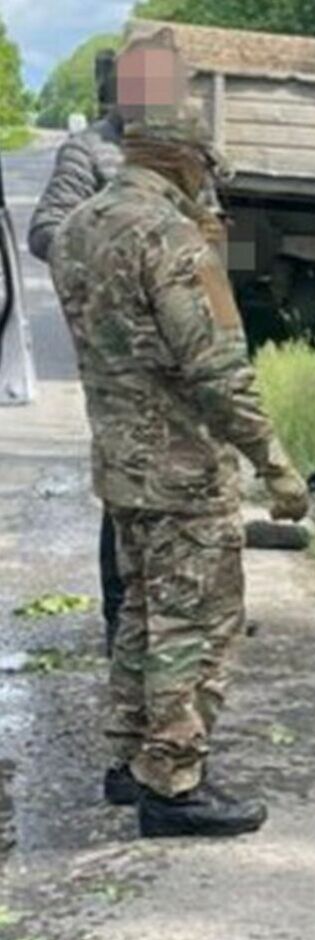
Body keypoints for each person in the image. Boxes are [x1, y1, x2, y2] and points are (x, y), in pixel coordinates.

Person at [48, 108, 309, 838]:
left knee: (138, 613)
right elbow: (220, 367)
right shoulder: (176, 239)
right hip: (183, 470)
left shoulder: (78, 228)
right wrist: (275, 463)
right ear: (184, 161)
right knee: (195, 621)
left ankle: (130, 761)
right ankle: (176, 781)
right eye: (207, 169)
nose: (210, 183)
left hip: (120, 465)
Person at [29, 47, 128, 654]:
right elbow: (44, 232)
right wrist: (116, 252)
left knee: (189, 485)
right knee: (125, 483)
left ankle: (177, 620)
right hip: (117, 347)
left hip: (183, 343)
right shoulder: (89, 151)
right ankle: (121, 623)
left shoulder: (184, 152)